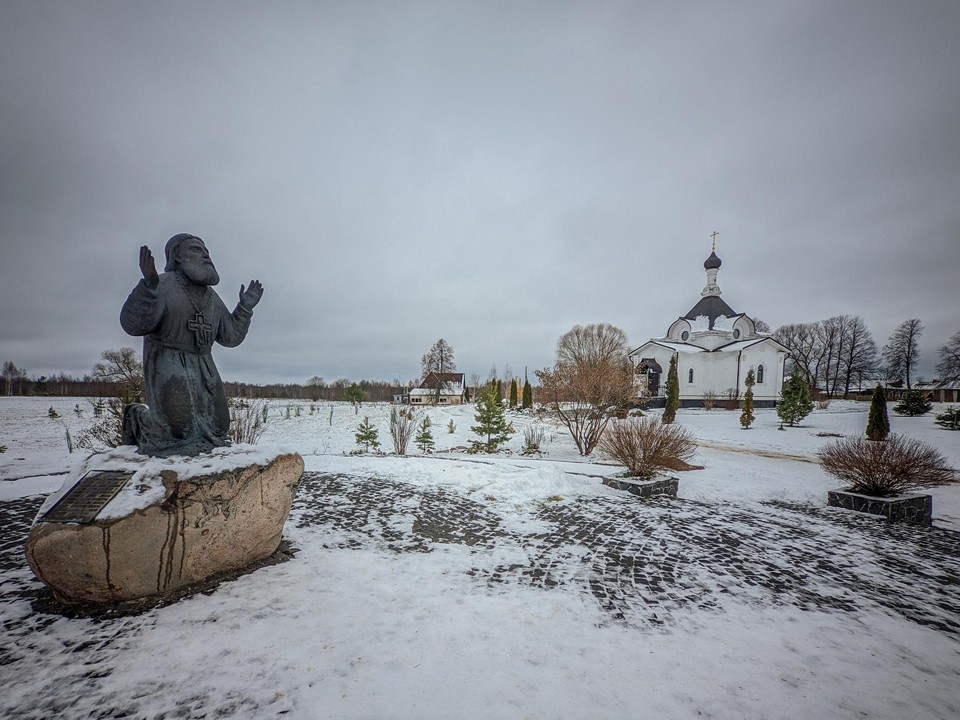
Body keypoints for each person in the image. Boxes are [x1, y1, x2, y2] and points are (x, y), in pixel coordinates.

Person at [120, 233, 263, 456]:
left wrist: (244, 309)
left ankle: (202, 443)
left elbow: (230, 337)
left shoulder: (211, 297)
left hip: (204, 364)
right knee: (177, 431)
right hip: (167, 360)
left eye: (206, 251)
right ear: (177, 257)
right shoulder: (163, 285)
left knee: (219, 427)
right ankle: (136, 416)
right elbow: (134, 325)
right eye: (196, 250)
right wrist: (148, 287)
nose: (205, 255)